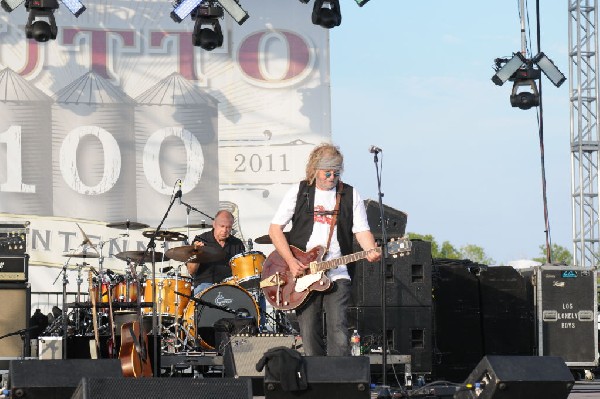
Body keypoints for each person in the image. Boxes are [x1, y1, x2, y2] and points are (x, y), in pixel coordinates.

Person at [268, 143, 381, 356]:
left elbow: (362, 230)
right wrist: (292, 262)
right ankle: (315, 381)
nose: (331, 177)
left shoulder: (349, 194)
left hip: (337, 272)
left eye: (336, 173)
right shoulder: (300, 192)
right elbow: (275, 230)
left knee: (338, 330)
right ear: (315, 170)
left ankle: (338, 381)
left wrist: (370, 249)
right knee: (309, 332)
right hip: (303, 273)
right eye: (327, 172)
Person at [187, 210, 245, 295]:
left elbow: (243, 270)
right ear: (214, 224)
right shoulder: (201, 240)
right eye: (222, 226)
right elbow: (191, 270)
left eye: (228, 227)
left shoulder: (237, 243)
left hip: (230, 286)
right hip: (205, 286)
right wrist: (196, 252)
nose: (225, 230)